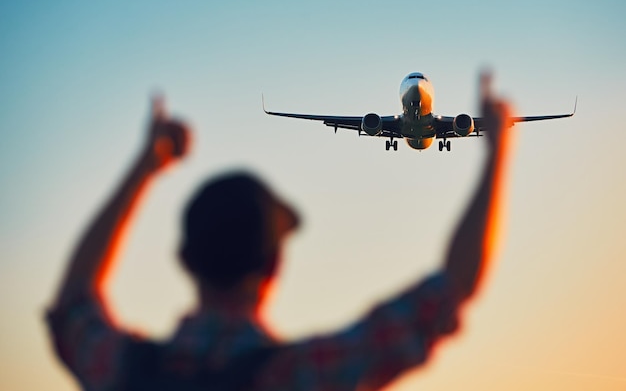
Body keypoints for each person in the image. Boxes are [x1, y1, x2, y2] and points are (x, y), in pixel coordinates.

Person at [46, 72, 514, 391]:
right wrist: (497, 150)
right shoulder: (300, 375)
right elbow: (451, 288)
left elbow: (72, 304)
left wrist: (147, 163)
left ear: (184, 259)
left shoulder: (125, 369)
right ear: (275, 264)